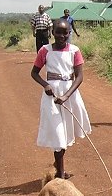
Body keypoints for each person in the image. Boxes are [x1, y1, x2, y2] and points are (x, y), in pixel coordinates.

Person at [31, 18, 91, 180]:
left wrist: (66, 95)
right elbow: (34, 73)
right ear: (52, 32)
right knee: (58, 132)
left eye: (66, 33)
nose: (62, 36)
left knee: (67, 131)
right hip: (51, 96)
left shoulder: (74, 51)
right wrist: (45, 85)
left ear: (69, 33)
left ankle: (59, 166)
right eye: (58, 32)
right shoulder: (45, 50)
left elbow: (79, 77)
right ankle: (61, 173)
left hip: (69, 94)